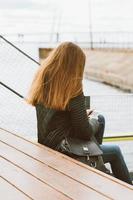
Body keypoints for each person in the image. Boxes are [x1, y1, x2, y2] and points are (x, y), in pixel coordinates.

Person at [27, 42, 132, 185]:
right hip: (66, 151)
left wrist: (81, 113)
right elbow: (84, 133)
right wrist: (93, 119)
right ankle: (126, 189)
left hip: (47, 147)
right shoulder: (73, 88)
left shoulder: (42, 82)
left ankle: (95, 166)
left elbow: (57, 118)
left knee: (99, 120)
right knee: (114, 148)